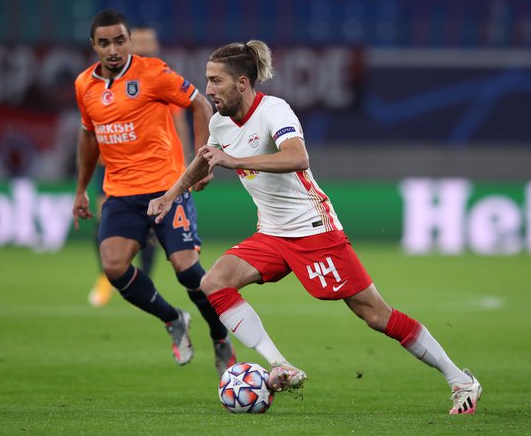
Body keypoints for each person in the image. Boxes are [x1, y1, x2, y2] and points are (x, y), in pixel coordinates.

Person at [148, 40, 483, 414]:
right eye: (207, 81)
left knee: (375, 314)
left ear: (242, 83)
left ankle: (461, 380)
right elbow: (205, 158)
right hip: (272, 233)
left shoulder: (274, 110)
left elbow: (297, 156)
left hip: (313, 229)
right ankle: (280, 364)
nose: (208, 89)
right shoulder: (219, 122)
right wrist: (171, 194)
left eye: (216, 81)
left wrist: (234, 159)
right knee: (214, 282)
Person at [72, 9, 236, 376]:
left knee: (187, 271)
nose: (113, 49)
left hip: (167, 188)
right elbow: (88, 136)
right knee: (113, 267)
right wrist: (82, 189)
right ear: (93, 46)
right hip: (120, 192)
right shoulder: (84, 85)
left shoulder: (153, 73)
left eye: (119, 41)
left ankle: (220, 336)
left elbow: (199, 102)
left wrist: (200, 161)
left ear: (128, 40)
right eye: (104, 43)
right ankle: (173, 318)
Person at [88, 25, 191, 308]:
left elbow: (180, 121)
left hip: (155, 167)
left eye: (149, 42)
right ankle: (105, 276)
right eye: (141, 42)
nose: (145, 47)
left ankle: (144, 279)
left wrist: (188, 165)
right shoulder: (109, 77)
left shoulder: (160, 77)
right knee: (103, 221)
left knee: (152, 225)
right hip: (113, 165)